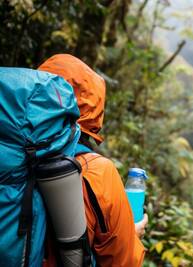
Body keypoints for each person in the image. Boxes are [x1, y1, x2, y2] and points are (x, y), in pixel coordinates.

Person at [39, 54, 147, 266]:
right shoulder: (97, 171)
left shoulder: (10, 151)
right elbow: (122, 262)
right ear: (95, 109)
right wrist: (131, 235)